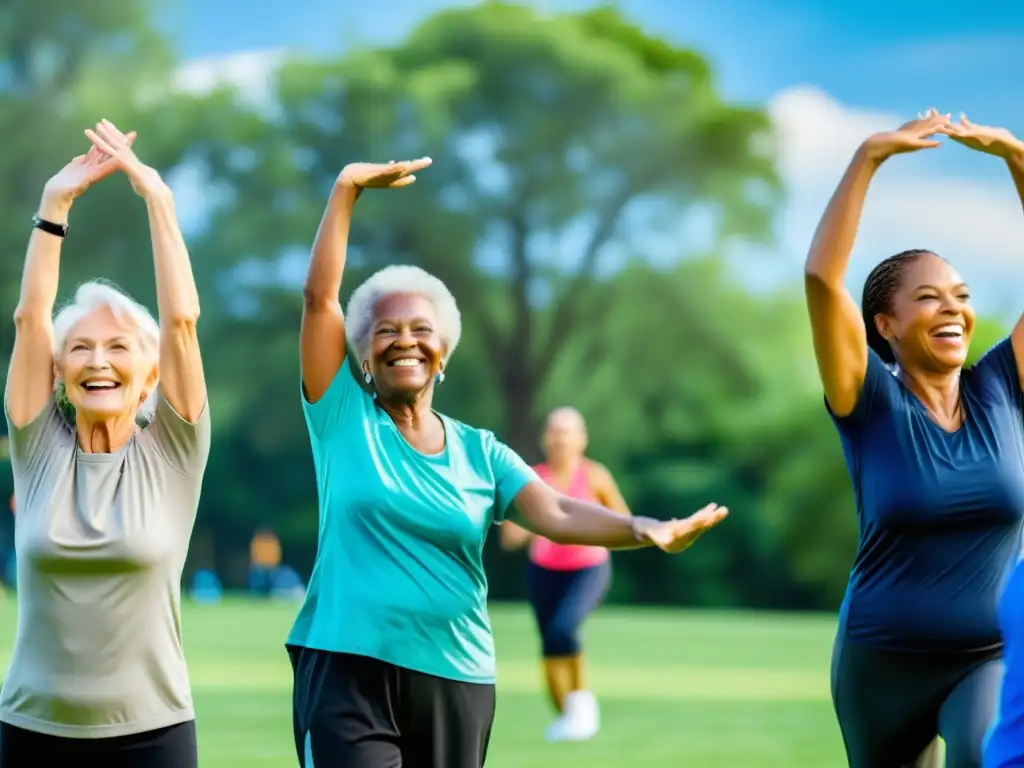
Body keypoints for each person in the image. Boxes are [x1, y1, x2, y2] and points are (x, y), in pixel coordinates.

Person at [286, 157, 729, 768]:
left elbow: (557, 513)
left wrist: (640, 529)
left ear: (443, 352)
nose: (404, 340)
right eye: (385, 331)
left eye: (421, 328)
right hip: (346, 667)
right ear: (361, 354)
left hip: (456, 671)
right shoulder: (341, 419)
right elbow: (318, 299)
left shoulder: (481, 451)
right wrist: (345, 191)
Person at [805, 108, 1024, 768]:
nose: (953, 307)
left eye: (959, 294)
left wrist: (1019, 159)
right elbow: (821, 279)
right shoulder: (867, 398)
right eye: (929, 298)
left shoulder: (1004, 386)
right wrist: (868, 157)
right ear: (886, 323)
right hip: (880, 661)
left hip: (986, 657)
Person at [0, 120, 210, 767]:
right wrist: (53, 207)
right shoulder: (35, 448)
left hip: (153, 734)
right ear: (57, 372)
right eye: (81, 348)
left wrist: (159, 200)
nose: (98, 360)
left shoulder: (174, 452)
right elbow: (31, 319)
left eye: (119, 347)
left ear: (150, 374)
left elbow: (179, 322)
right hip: (31, 731)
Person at [500, 406, 630, 742]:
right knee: (549, 644)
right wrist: (531, 521)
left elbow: (624, 522)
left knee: (563, 629)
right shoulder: (530, 477)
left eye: (567, 431)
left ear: (582, 439)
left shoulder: (595, 475)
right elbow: (510, 538)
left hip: (588, 569)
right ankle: (568, 714)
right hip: (543, 571)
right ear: (545, 438)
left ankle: (582, 709)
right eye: (554, 431)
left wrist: (593, 527)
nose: (560, 438)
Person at [249, 525, 282, 596]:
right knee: (258, 581)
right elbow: (254, 553)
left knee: (270, 582)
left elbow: (276, 554)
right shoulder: (257, 540)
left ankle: (268, 594)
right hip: (261, 566)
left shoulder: (273, 541)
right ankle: (256, 594)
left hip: (271, 566)